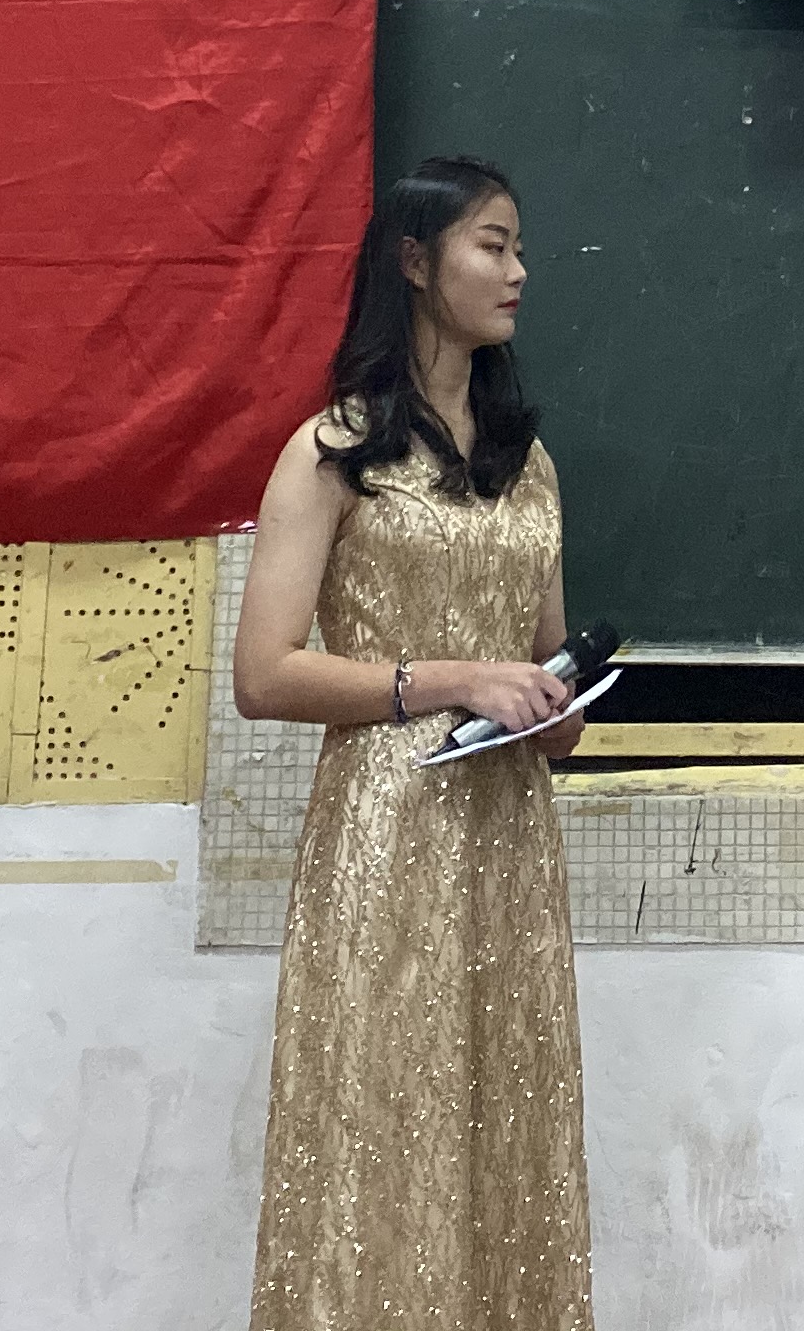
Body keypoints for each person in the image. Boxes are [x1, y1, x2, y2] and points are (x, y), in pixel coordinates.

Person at [231, 153, 594, 1331]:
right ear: (415, 261)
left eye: (520, 247)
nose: (519, 270)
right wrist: (451, 678)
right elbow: (264, 674)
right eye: (494, 244)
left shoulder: (526, 463)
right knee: (383, 1120)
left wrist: (557, 707)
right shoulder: (332, 449)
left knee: (505, 1119)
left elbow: (541, 655)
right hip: (388, 827)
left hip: (507, 836)